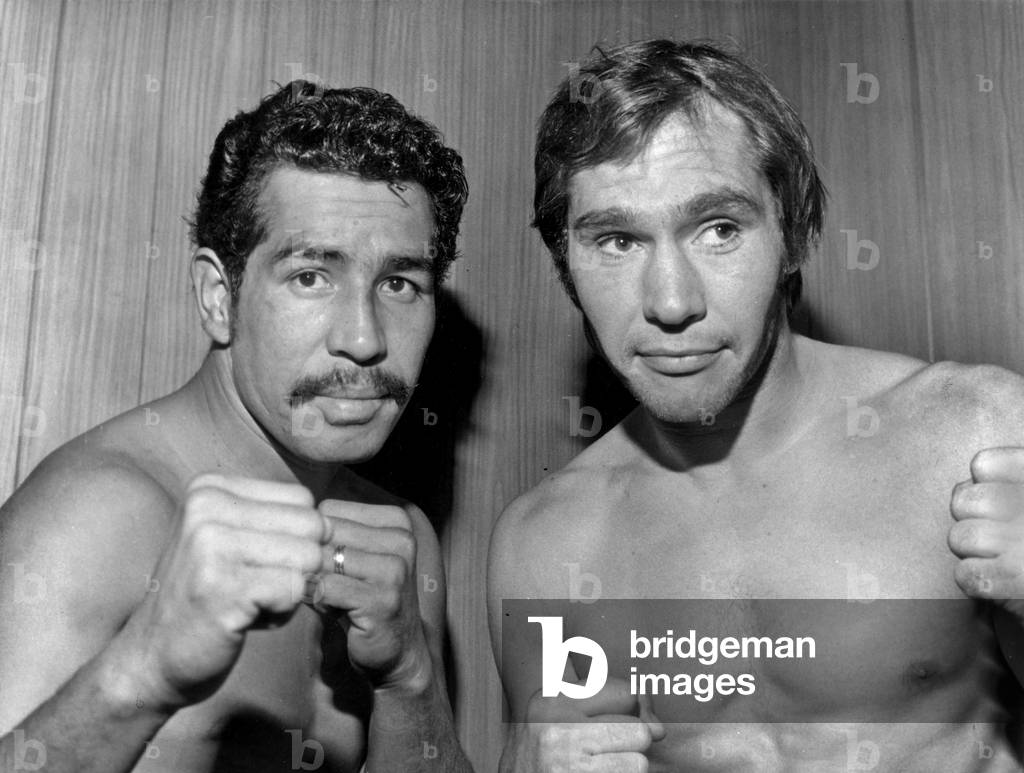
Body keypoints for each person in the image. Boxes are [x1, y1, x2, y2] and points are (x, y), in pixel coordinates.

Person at [488, 39, 1024, 772]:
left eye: (719, 229)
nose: (671, 302)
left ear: (792, 234)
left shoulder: (974, 435)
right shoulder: (545, 548)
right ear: (566, 267)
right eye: (616, 240)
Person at [0, 80, 472, 772]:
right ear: (219, 297)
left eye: (399, 284)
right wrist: (143, 673)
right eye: (311, 276)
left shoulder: (401, 537)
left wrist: (410, 680)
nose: (365, 339)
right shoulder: (97, 514)